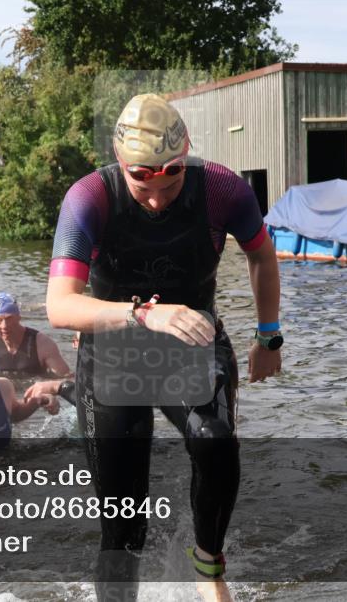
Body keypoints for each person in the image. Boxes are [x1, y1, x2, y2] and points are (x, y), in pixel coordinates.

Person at [31, 93, 282, 602]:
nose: (157, 200)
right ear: (122, 166)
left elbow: (262, 256)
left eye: (170, 184)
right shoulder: (89, 197)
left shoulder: (220, 189)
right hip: (111, 355)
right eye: (143, 186)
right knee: (125, 524)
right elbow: (60, 306)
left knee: (214, 441)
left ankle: (209, 570)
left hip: (191, 342)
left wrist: (267, 334)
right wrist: (143, 312)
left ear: (185, 160)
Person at [0, 292, 71, 376]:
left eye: (9, 318)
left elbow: (66, 377)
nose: (4, 326)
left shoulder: (43, 344)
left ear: (19, 317)